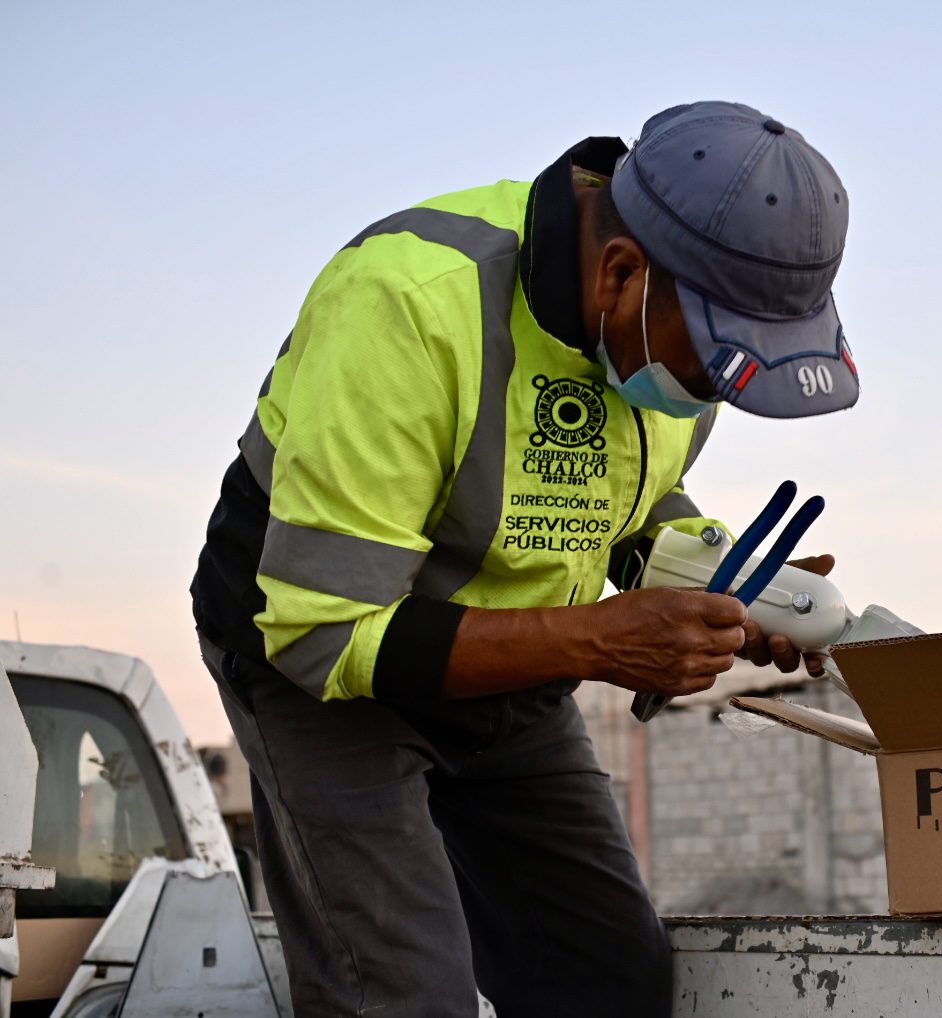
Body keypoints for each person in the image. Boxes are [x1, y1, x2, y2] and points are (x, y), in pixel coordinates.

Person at [190, 100, 859, 1017]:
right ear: (621, 273)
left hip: (520, 668)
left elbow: (616, 510)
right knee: (403, 993)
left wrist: (723, 588)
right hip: (324, 665)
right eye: (714, 367)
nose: (715, 393)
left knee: (604, 980)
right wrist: (597, 643)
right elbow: (324, 637)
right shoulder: (408, 306)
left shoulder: (680, 335)